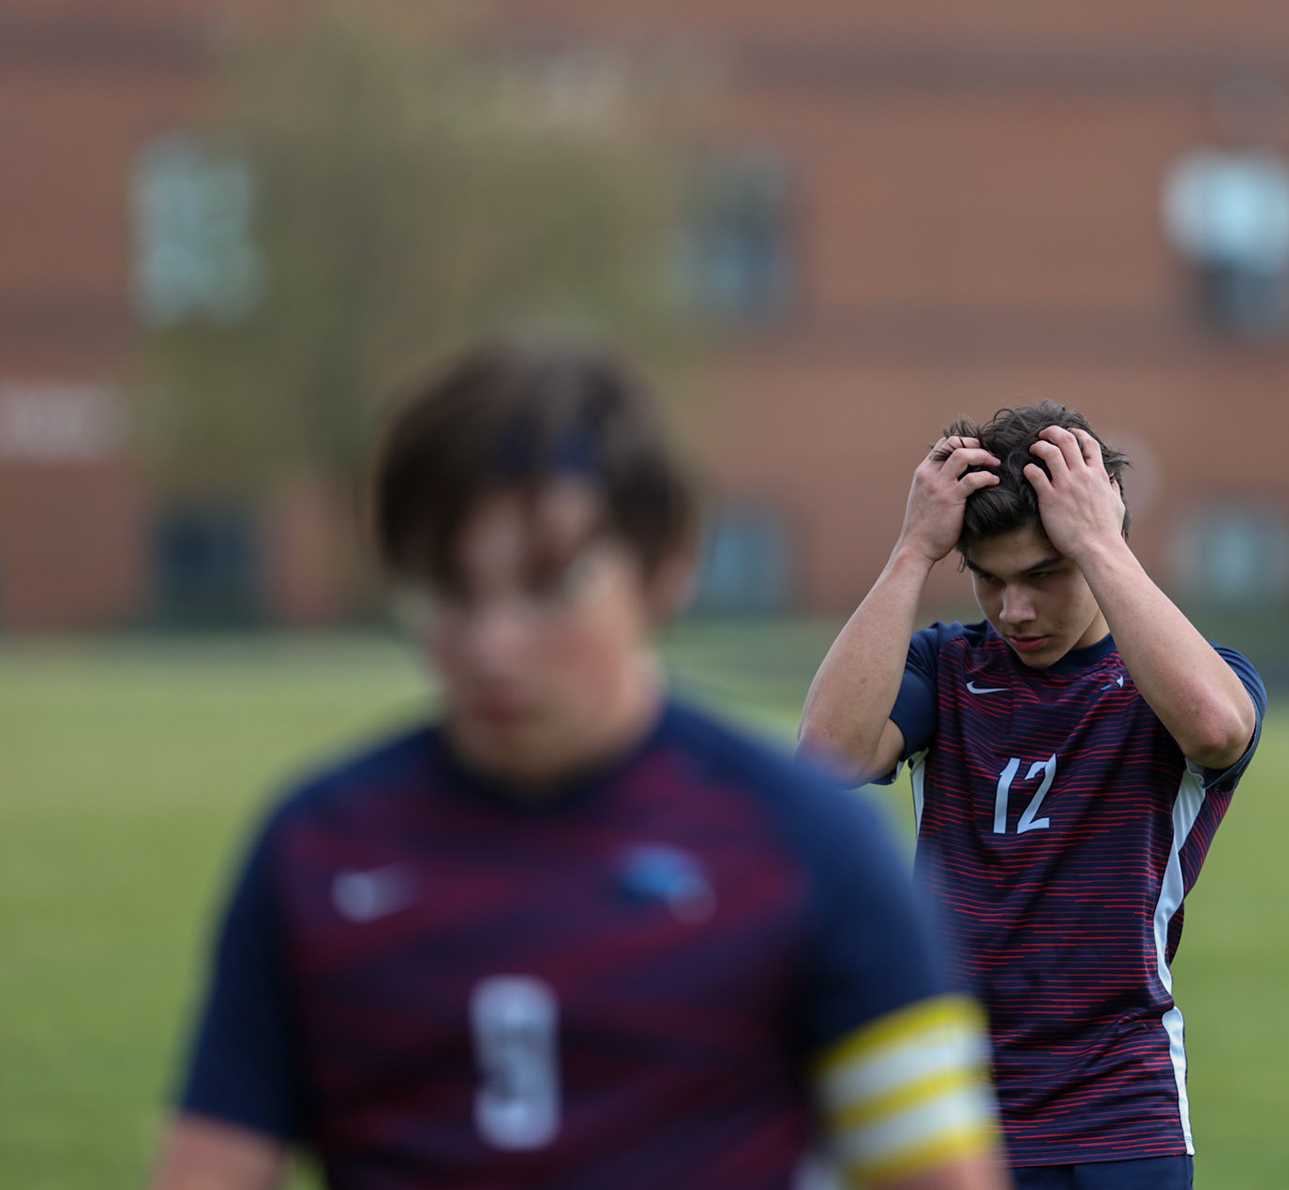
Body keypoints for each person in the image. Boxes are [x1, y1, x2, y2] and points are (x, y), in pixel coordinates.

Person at [149, 347, 1005, 1190]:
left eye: (550, 585)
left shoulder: (812, 845)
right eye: (449, 589)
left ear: (665, 563)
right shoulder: (315, 849)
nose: (492, 644)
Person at [798, 402, 1267, 1190]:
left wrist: (1098, 540)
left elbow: (1217, 730)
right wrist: (913, 550)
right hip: (949, 1100)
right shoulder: (944, 669)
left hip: (1122, 1103)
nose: (1016, 610)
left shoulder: (1186, 677)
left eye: (1045, 575)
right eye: (990, 579)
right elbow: (825, 760)